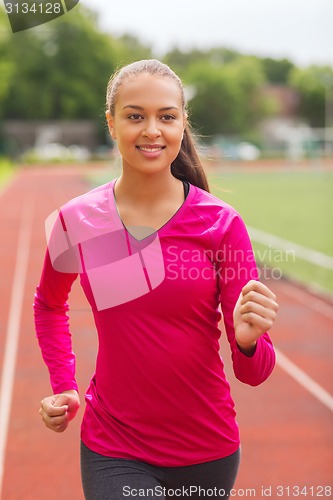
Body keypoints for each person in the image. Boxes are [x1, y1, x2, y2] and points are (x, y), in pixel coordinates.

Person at [34, 59, 279, 499]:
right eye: (135, 116)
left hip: (206, 450)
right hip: (113, 444)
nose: (152, 130)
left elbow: (255, 373)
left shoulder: (220, 225)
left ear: (183, 124)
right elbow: (49, 304)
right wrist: (63, 386)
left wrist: (247, 342)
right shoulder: (77, 220)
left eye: (166, 116)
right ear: (111, 123)